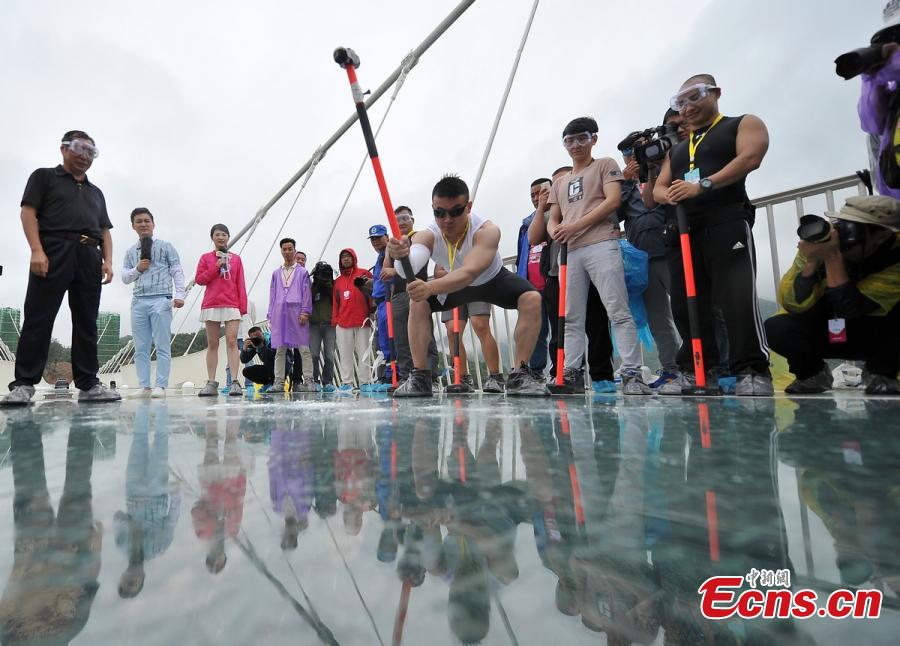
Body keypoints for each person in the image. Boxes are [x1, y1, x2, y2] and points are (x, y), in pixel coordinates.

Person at [652, 75, 773, 396]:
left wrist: (702, 184)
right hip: (682, 231)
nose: (688, 108)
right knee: (686, 301)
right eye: (681, 102)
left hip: (726, 221)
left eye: (695, 98)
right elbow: (658, 189)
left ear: (715, 93)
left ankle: (751, 369)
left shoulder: (741, 124)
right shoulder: (678, 149)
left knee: (736, 297)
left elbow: (751, 157)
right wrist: (671, 194)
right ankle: (695, 369)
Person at [388, 175, 547, 397]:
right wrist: (400, 256)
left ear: (468, 207)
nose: (447, 219)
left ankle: (519, 375)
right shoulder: (428, 234)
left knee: (532, 298)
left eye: (456, 211)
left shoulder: (487, 230)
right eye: (439, 212)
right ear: (433, 209)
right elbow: (408, 268)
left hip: (491, 280)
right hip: (456, 284)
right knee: (418, 302)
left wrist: (431, 288)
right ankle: (421, 377)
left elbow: (470, 272)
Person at [2, 130, 120, 405]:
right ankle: (24, 384)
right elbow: (27, 212)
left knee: (87, 321)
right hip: (53, 251)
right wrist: (36, 250)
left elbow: (104, 229)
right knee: (39, 318)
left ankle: (89, 384)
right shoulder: (44, 177)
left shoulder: (95, 192)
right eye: (79, 148)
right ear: (64, 148)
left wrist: (108, 260)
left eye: (91, 152)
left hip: (89, 255)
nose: (84, 156)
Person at [547, 117, 652, 395]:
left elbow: (613, 200)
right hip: (570, 251)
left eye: (582, 138)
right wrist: (557, 229)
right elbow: (553, 218)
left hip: (601, 243)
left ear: (594, 138)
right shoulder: (560, 181)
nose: (576, 145)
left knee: (617, 308)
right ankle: (571, 371)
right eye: (569, 140)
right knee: (570, 316)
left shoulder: (605, 164)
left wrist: (574, 226)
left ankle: (631, 372)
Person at [765, 196, 900, 395]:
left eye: (852, 235)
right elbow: (791, 303)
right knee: (776, 327)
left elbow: (851, 309)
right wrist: (811, 262)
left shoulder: (896, 257)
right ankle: (811, 374)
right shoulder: (822, 241)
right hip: (828, 327)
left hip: (874, 332)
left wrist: (832, 257)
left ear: (880, 235)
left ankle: (881, 373)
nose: (843, 240)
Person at [529, 166, 618, 393]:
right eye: (556, 184)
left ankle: (601, 375)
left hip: (589, 269)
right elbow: (533, 237)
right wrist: (542, 205)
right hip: (556, 276)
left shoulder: (589, 205)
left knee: (596, 324)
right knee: (561, 329)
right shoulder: (551, 214)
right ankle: (563, 373)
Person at [618, 151, 681, 387]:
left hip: (671, 250)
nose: (631, 158)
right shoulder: (626, 184)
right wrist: (625, 182)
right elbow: (615, 214)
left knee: (689, 311)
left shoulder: (665, 170)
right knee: (658, 320)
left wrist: (657, 169)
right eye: (626, 155)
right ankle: (672, 369)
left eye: (635, 153)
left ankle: (709, 366)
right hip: (643, 260)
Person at [121, 207, 186, 399]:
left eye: (146, 221)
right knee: (141, 346)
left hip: (161, 299)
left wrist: (180, 294)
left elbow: (176, 270)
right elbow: (125, 277)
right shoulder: (131, 251)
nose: (143, 224)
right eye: (139, 221)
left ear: (153, 223)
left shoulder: (166, 246)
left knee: (162, 344)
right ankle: (144, 386)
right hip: (139, 301)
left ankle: (161, 385)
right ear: (133, 226)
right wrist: (137, 269)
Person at [381, 207, 442, 385]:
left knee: (424, 334)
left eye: (405, 218)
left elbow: (411, 264)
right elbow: (385, 270)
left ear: (412, 220)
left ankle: (431, 375)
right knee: (401, 338)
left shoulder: (420, 238)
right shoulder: (393, 244)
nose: (402, 222)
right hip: (398, 294)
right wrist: (388, 251)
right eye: (397, 220)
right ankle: (407, 376)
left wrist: (394, 270)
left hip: (418, 290)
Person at [194, 224, 248, 397]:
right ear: (212, 237)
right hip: (212, 303)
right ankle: (211, 382)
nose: (221, 237)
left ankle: (234, 381)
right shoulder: (205, 258)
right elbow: (200, 279)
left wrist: (243, 307)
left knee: (232, 341)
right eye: (217, 234)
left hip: (232, 303)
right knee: (213, 343)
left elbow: (240, 283)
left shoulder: (236, 259)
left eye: (224, 234)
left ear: (228, 237)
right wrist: (216, 266)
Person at [267, 238, 314, 393]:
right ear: (281, 251)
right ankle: (279, 382)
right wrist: (271, 314)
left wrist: (305, 311)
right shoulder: (276, 273)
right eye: (284, 249)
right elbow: (272, 294)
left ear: (294, 250)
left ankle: (309, 381)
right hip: (280, 313)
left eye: (290, 249)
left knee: (303, 348)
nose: (287, 252)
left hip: (297, 312)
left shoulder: (302, 272)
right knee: (280, 349)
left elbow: (307, 293)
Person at [517, 178, 553, 376]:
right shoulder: (526, 225)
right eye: (532, 195)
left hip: (552, 281)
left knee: (559, 329)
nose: (536, 198)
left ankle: (561, 371)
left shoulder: (559, 215)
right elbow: (522, 254)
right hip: (531, 286)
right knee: (536, 332)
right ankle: (536, 372)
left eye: (540, 193)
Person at [332, 248, 374, 391]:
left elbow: (373, 293)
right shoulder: (337, 282)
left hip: (363, 320)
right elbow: (335, 302)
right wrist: (335, 320)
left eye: (348, 256)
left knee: (364, 353)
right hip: (343, 322)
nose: (346, 259)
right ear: (340, 261)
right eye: (343, 257)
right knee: (345, 354)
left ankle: (365, 382)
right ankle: (347, 382)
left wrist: (372, 313)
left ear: (354, 258)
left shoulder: (364, 274)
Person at [368, 224, 395, 390]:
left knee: (391, 338)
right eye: (373, 239)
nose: (376, 241)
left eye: (378, 237)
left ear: (387, 236)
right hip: (380, 302)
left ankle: (394, 372)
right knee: (384, 339)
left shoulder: (391, 254)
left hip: (389, 300)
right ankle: (388, 372)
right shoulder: (380, 257)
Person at [309, 261, 337, 391]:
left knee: (329, 355)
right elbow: (308, 301)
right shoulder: (311, 287)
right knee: (313, 354)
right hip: (314, 325)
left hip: (330, 324)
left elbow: (336, 301)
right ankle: (314, 380)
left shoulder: (333, 286)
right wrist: (316, 285)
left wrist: (329, 286)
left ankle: (328, 382)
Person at [240, 326, 277, 390]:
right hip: (269, 369)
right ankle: (267, 383)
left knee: (270, 363)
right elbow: (244, 360)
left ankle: (272, 382)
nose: (257, 339)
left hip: (281, 367)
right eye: (254, 338)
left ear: (263, 334)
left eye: (259, 336)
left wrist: (261, 347)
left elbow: (271, 358)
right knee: (246, 371)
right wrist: (244, 348)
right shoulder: (255, 343)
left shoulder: (271, 339)